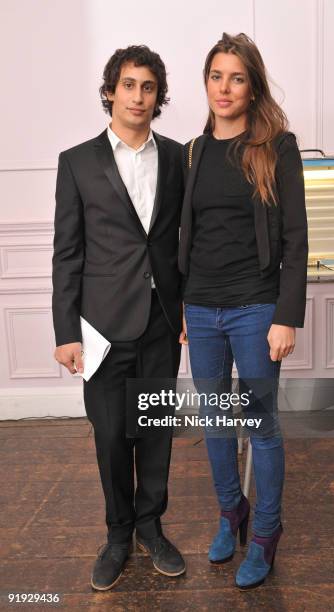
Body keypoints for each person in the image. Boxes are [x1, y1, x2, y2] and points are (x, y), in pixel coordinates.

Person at [52, 45, 185, 591]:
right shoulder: (77, 161)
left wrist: (186, 310)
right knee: (110, 436)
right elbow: (67, 252)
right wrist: (65, 333)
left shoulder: (179, 157)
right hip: (101, 328)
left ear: (159, 96)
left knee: (155, 431)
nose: (138, 96)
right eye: (129, 85)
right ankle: (117, 534)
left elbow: (183, 241)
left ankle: (153, 526)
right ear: (111, 90)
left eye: (148, 87)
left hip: (161, 321)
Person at [178, 33, 308, 589]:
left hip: (256, 308)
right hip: (201, 308)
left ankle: (265, 534)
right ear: (206, 82)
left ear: (251, 86)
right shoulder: (194, 150)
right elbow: (189, 233)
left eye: (236, 77)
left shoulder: (277, 146)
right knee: (214, 423)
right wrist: (184, 306)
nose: (224, 88)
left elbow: (298, 239)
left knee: (259, 425)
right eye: (216, 76)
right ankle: (232, 515)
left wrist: (287, 315)